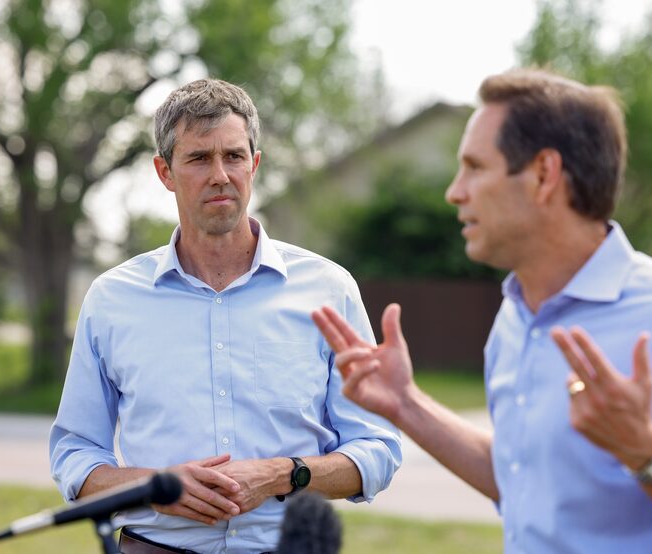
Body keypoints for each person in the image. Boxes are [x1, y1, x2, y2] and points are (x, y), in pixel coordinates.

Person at [312, 68, 652, 553]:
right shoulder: (516, 320)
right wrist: (406, 404)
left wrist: (645, 451)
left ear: (543, 175)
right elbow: (526, 483)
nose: (455, 191)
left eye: (475, 167)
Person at [50, 79, 401, 554]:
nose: (220, 174)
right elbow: (75, 454)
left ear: (254, 165)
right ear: (165, 171)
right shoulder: (112, 299)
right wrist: (159, 488)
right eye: (198, 158)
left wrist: (283, 474)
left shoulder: (328, 291)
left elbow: (377, 449)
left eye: (233, 156)